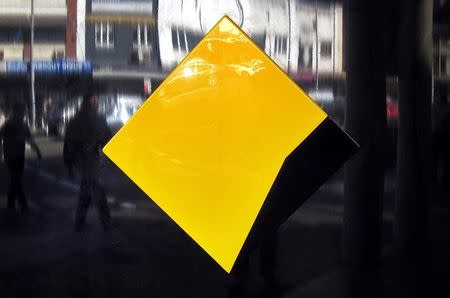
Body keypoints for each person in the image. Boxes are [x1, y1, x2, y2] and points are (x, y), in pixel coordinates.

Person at [63, 90, 112, 232]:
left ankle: (80, 222)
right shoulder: (78, 120)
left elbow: (107, 137)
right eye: (93, 100)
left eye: (96, 100)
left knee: (87, 190)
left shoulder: (96, 118)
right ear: (87, 102)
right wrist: (69, 164)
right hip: (86, 160)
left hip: (90, 160)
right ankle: (105, 222)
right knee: (97, 190)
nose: (96, 103)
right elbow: (69, 143)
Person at [0, 102, 42, 213]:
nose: (23, 113)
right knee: (17, 179)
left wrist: (37, 151)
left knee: (15, 179)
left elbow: (29, 140)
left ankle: (11, 203)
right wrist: (37, 151)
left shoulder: (14, 124)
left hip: (15, 155)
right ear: (17, 111)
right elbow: (29, 140)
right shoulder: (13, 125)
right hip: (13, 155)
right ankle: (23, 205)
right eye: (22, 111)